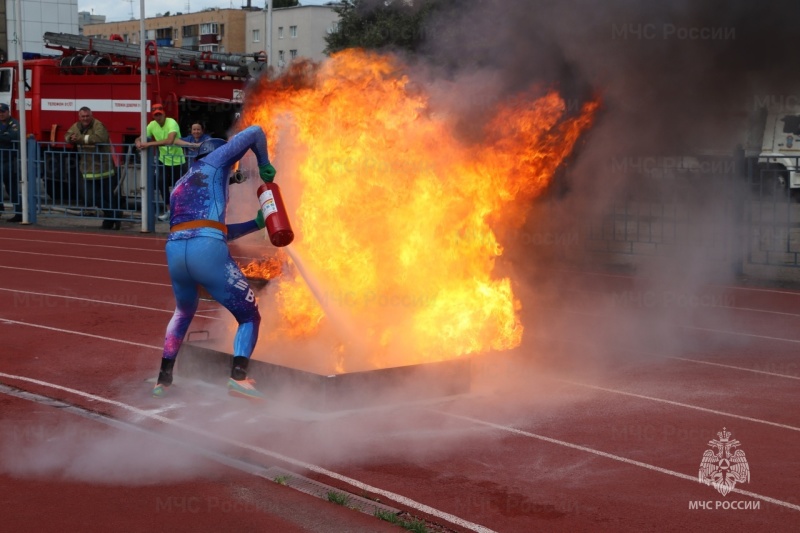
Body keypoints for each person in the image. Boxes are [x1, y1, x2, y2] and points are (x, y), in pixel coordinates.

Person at [153, 125, 278, 400]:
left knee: (183, 311)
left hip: (175, 250)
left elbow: (212, 226)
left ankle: (163, 380)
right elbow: (255, 132)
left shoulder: (180, 184)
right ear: (221, 155)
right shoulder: (217, 160)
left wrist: (256, 224)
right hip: (206, 249)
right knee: (249, 316)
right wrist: (265, 164)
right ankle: (238, 377)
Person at [134, 103, 199, 221]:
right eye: (155, 115)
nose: (158, 117)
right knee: (161, 183)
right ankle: (169, 210)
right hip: (164, 161)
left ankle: (185, 212)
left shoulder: (171, 122)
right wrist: (138, 141)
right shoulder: (152, 125)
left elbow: (170, 140)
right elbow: (141, 137)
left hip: (178, 161)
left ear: (164, 114)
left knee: (182, 187)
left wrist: (148, 144)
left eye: (159, 114)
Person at [65, 107, 122, 230]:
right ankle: (114, 215)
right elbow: (67, 135)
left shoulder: (98, 125)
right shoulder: (77, 126)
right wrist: (71, 138)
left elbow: (99, 138)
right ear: (79, 117)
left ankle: (109, 221)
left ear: (91, 116)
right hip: (87, 168)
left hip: (104, 168)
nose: (85, 118)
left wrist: (79, 139)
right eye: (83, 116)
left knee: (108, 197)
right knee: (89, 197)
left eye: (87, 116)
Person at [0, 103, 22, 223]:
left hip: (10, 160)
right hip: (1, 159)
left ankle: (19, 213)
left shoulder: (14, 123)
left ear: (8, 112)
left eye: (3, 111)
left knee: (12, 188)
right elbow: (6, 137)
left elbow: (13, 136)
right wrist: (3, 136)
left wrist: (3, 137)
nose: (1, 114)